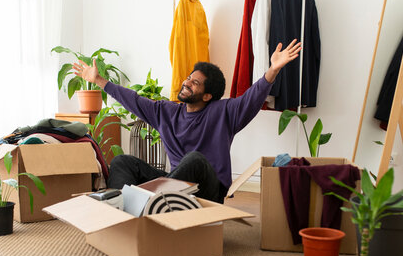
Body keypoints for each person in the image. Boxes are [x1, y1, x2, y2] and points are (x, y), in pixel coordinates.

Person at [73, 39, 302, 203]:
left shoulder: (224, 112)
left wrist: (273, 70)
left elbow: (252, 99)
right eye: (189, 78)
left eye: (195, 83)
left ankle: (150, 202)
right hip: (173, 189)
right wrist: (99, 80)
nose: (187, 82)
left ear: (207, 96)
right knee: (122, 161)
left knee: (195, 160)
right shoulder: (166, 111)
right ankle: (117, 206)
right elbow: (133, 100)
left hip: (207, 192)